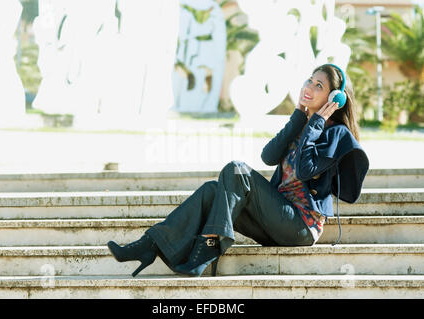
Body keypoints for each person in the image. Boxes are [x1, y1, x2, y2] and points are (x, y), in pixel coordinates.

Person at [107, 63, 369, 277]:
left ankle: (209, 244)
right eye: (309, 80)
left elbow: (304, 170)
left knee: (237, 170)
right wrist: (298, 118)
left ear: (334, 99)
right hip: (276, 219)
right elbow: (268, 156)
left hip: (301, 227)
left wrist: (316, 124)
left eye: (319, 85)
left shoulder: (336, 133)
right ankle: (149, 245)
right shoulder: (301, 124)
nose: (309, 87)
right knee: (213, 189)